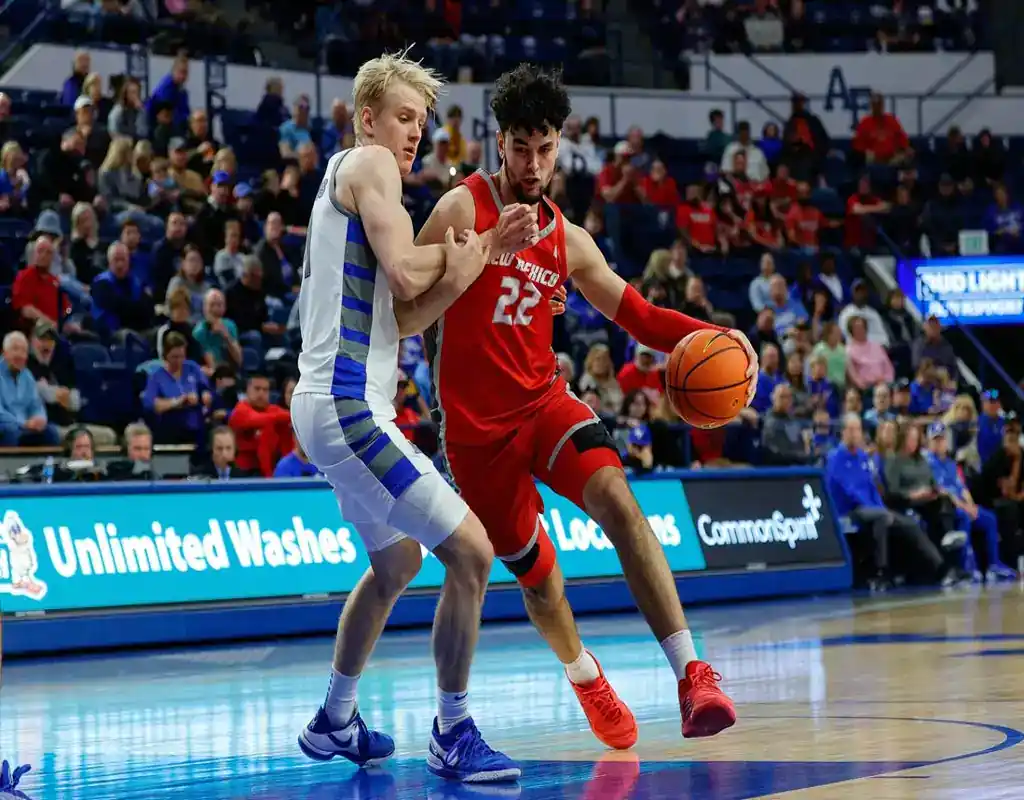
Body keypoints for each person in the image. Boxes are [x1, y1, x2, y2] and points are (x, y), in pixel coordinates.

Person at [397, 64, 757, 747]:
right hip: (477, 438)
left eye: (546, 148)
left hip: (544, 405)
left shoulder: (570, 238)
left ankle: (693, 673)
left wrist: (715, 337)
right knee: (541, 584)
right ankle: (584, 673)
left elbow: (644, 318)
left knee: (619, 500)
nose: (534, 163)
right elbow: (405, 312)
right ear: (499, 143)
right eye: (521, 147)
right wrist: (472, 261)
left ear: (560, 146)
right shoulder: (458, 209)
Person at [288, 51, 535, 783]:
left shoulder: (364, 181)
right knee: (473, 553)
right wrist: (485, 246)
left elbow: (405, 309)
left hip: (327, 404)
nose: (413, 133)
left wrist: (470, 266)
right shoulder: (369, 165)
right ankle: (453, 731)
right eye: (403, 116)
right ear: (367, 117)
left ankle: (335, 718)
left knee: (396, 563)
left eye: (421, 123)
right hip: (345, 405)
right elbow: (406, 270)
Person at [826, 414, 945, 590]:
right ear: (843, 432)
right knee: (882, 517)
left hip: (872, 508)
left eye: (857, 429)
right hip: (850, 511)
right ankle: (881, 572)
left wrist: (880, 507)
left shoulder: (862, 457)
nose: (854, 434)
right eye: (850, 430)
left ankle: (940, 568)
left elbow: (872, 486)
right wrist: (878, 509)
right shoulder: (835, 458)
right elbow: (848, 491)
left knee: (909, 523)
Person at [924, 422, 1016, 581]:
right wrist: (966, 508)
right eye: (935, 440)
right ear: (929, 441)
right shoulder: (928, 462)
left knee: (989, 518)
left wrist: (972, 505)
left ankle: (994, 565)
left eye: (941, 439)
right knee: (963, 517)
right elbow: (943, 491)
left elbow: (962, 488)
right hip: (946, 508)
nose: (939, 443)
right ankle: (967, 567)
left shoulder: (951, 462)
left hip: (963, 505)